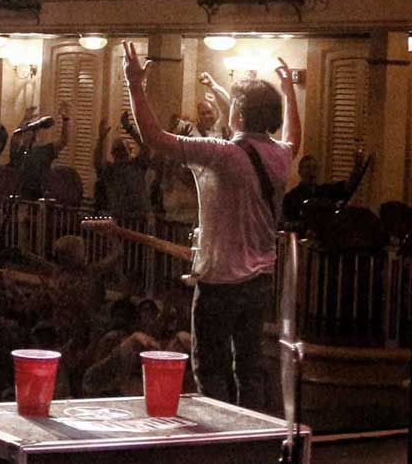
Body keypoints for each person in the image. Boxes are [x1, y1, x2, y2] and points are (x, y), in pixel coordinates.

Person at [120, 47, 297, 414]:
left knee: (211, 369)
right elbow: (295, 136)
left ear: (239, 113)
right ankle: (251, 441)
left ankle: (219, 444)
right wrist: (290, 91)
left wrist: (135, 85)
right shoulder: (281, 155)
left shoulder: (222, 154)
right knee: (250, 369)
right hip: (260, 279)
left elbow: (155, 138)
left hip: (219, 283)